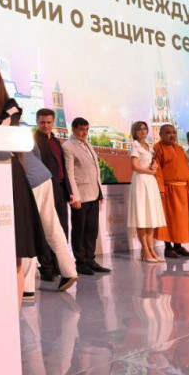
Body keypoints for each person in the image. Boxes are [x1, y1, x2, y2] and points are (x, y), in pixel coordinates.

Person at [0, 61, 65, 304]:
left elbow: (3, 128)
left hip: (8, 179)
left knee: (14, 251)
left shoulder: (10, 107)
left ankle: (13, 313)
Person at [21, 146, 79, 300]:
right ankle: (69, 271)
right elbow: (35, 151)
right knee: (53, 227)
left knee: (26, 232)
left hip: (29, 181)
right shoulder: (21, 132)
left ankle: (27, 288)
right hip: (44, 177)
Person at [63, 117, 110, 274]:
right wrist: (74, 196)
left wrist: (100, 192)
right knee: (79, 230)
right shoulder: (68, 146)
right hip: (80, 196)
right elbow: (69, 173)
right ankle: (81, 262)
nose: (85, 133)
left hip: (93, 194)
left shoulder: (88, 144)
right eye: (81, 129)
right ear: (73, 129)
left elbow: (95, 170)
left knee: (91, 230)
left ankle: (90, 260)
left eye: (87, 129)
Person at [32, 109, 72, 280]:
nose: (46, 125)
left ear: (53, 122)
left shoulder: (56, 141)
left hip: (61, 190)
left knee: (61, 228)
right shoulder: (33, 141)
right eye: (42, 122)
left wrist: (69, 191)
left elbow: (63, 168)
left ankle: (59, 265)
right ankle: (46, 267)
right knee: (45, 229)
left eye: (49, 122)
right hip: (45, 189)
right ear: (37, 122)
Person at [153, 124, 189, 259]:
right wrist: (161, 190)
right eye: (168, 133)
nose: (172, 135)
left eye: (173, 132)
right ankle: (168, 248)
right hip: (168, 190)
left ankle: (178, 247)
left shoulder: (179, 149)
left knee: (181, 221)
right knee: (168, 220)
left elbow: (186, 171)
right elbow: (157, 171)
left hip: (183, 190)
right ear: (161, 135)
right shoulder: (158, 148)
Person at [127, 121, 167, 263]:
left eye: (145, 129)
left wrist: (154, 167)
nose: (143, 131)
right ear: (135, 132)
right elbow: (134, 166)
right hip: (141, 181)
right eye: (140, 129)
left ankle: (151, 250)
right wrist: (149, 171)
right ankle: (145, 250)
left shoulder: (149, 147)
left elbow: (151, 164)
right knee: (142, 217)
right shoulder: (136, 146)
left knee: (150, 217)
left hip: (150, 182)